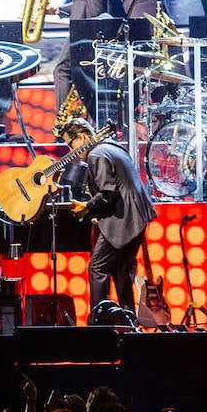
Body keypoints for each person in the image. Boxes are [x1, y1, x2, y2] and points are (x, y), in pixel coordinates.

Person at [64, 119, 156, 319]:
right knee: (121, 270)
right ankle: (129, 321)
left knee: (97, 268)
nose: (71, 151)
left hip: (124, 220)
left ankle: (100, 322)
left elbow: (108, 192)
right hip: (137, 216)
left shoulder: (96, 154)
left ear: (82, 137)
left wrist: (87, 207)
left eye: (70, 145)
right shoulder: (112, 147)